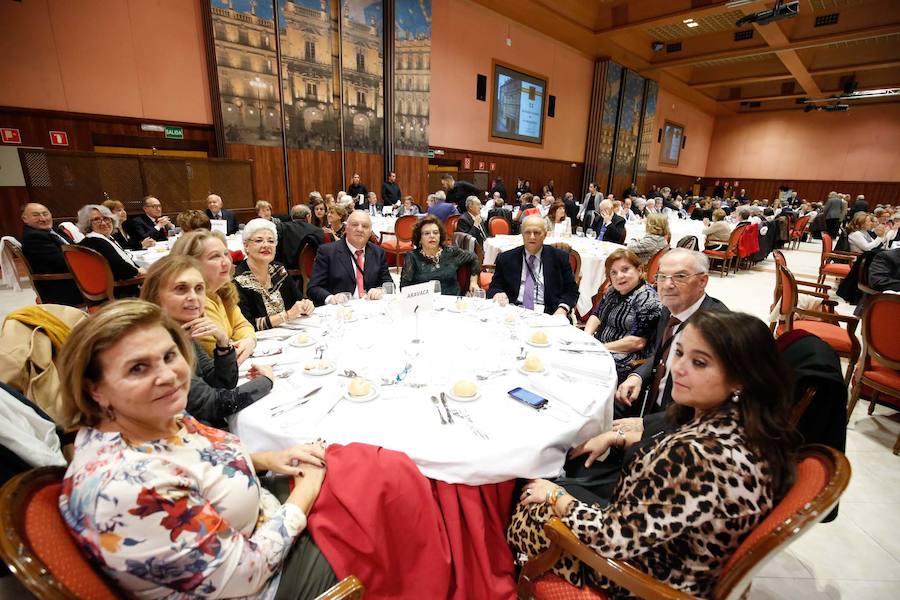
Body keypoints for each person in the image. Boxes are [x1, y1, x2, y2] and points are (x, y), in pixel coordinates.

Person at [55, 299, 340, 598]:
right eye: (138, 368)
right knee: (378, 524)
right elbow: (247, 572)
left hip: (261, 513)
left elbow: (197, 460)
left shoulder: (149, 416)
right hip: (260, 583)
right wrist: (305, 491)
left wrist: (267, 458)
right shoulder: (125, 486)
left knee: (365, 473)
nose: (167, 376)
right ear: (94, 389)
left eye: (169, 355)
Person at [508, 311, 798, 598]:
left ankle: (494, 579)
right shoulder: (748, 427)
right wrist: (618, 439)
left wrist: (556, 499)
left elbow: (612, 538)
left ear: (740, 379)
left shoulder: (698, 455)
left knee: (522, 496)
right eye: (680, 352)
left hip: (642, 578)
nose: (678, 368)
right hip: (673, 551)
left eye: (699, 362)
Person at [139, 257, 275, 428]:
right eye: (181, 289)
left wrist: (223, 343)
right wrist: (266, 381)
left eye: (199, 289)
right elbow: (213, 405)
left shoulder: (180, 333)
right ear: (155, 296)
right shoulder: (155, 343)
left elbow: (220, 382)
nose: (193, 297)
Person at [616, 248, 728, 418]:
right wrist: (637, 376)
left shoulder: (715, 328)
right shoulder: (669, 309)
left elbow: (707, 405)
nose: (667, 285)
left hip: (680, 419)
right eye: (662, 276)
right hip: (650, 402)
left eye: (680, 276)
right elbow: (660, 353)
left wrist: (647, 426)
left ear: (702, 281)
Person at [170, 229, 257, 362]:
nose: (226, 262)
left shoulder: (222, 291)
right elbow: (214, 351)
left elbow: (243, 325)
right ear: (191, 264)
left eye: (225, 254)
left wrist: (249, 341)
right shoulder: (192, 304)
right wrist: (243, 343)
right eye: (215, 256)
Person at [585, 249, 661, 382]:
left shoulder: (648, 299)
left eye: (625, 269)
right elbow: (596, 315)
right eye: (613, 272)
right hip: (600, 347)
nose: (619, 276)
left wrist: (599, 348)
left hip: (626, 358)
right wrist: (586, 339)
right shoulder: (613, 291)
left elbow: (637, 342)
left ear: (639, 270)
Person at [488, 215, 579, 316]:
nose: (532, 237)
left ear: (544, 234)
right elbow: (494, 287)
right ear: (522, 234)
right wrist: (497, 293)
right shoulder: (506, 258)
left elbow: (571, 291)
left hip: (549, 314)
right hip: (513, 312)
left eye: (537, 232)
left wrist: (562, 308)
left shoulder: (559, 258)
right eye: (527, 232)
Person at [235, 218, 314, 330]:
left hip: (289, 334)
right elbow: (246, 325)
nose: (266, 245)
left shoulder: (279, 270)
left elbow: (298, 300)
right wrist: (286, 316)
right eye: (259, 240)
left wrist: (306, 305)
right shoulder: (238, 280)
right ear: (246, 245)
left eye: (271, 241)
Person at [307, 210, 391, 306]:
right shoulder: (327, 252)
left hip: (371, 308)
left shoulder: (378, 252)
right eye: (355, 225)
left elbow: (388, 283)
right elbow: (313, 288)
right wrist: (331, 298)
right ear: (346, 228)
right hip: (341, 311)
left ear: (370, 232)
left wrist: (380, 290)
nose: (360, 229)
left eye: (365, 226)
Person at [19, 202, 83, 305]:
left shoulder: (52, 230)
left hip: (72, 279)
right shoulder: (34, 237)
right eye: (36, 215)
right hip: (64, 288)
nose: (43, 219)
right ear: (25, 219)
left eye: (45, 214)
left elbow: (75, 247)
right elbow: (63, 263)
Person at [400, 215, 479, 296]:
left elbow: (474, 258)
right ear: (420, 238)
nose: (432, 236)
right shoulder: (412, 256)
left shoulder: (451, 252)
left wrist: (473, 281)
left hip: (451, 303)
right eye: (427, 233)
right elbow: (404, 288)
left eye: (435, 232)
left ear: (440, 235)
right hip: (425, 304)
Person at [76, 204, 144, 297]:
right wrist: (139, 272)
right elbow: (121, 267)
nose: (103, 223)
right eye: (96, 220)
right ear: (88, 224)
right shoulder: (96, 241)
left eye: (106, 218)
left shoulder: (104, 238)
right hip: (120, 292)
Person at [277, 204, 326, 271]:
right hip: (311, 273)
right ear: (308, 216)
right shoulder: (318, 231)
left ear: (292, 217)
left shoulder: (280, 228)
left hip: (285, 273)